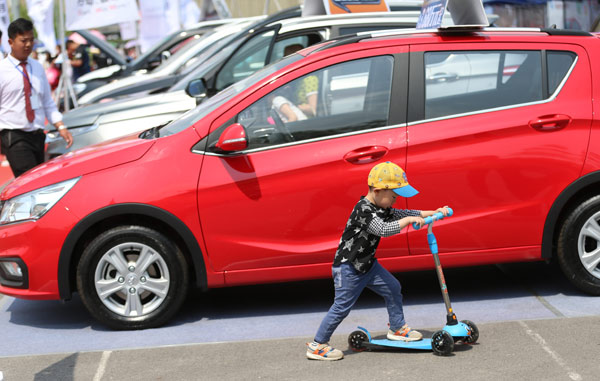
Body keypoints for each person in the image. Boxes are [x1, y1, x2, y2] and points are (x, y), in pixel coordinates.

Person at [306, 161, 450, 361]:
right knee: (341, 307)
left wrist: (433, 213)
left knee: (392, 287)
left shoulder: (381, 207)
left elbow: (407, 213)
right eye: (393, 196)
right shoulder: (363, 209)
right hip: (348, 268)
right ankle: (318, 345)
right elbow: (382, 229)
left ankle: (398, 328)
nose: (395, 200)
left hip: (368, 265)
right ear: (377, 190)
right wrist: (408, 222)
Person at [0, 18, 73, 178]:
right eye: (23, 40)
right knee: (29, 180)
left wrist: (61, 126)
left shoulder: (37, 67)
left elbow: (47, 101)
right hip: (14, 136)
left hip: (38, 135)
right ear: (11, 42)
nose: (28, 45)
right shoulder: (2, 70)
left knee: (39, 182)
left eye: (31, 40)